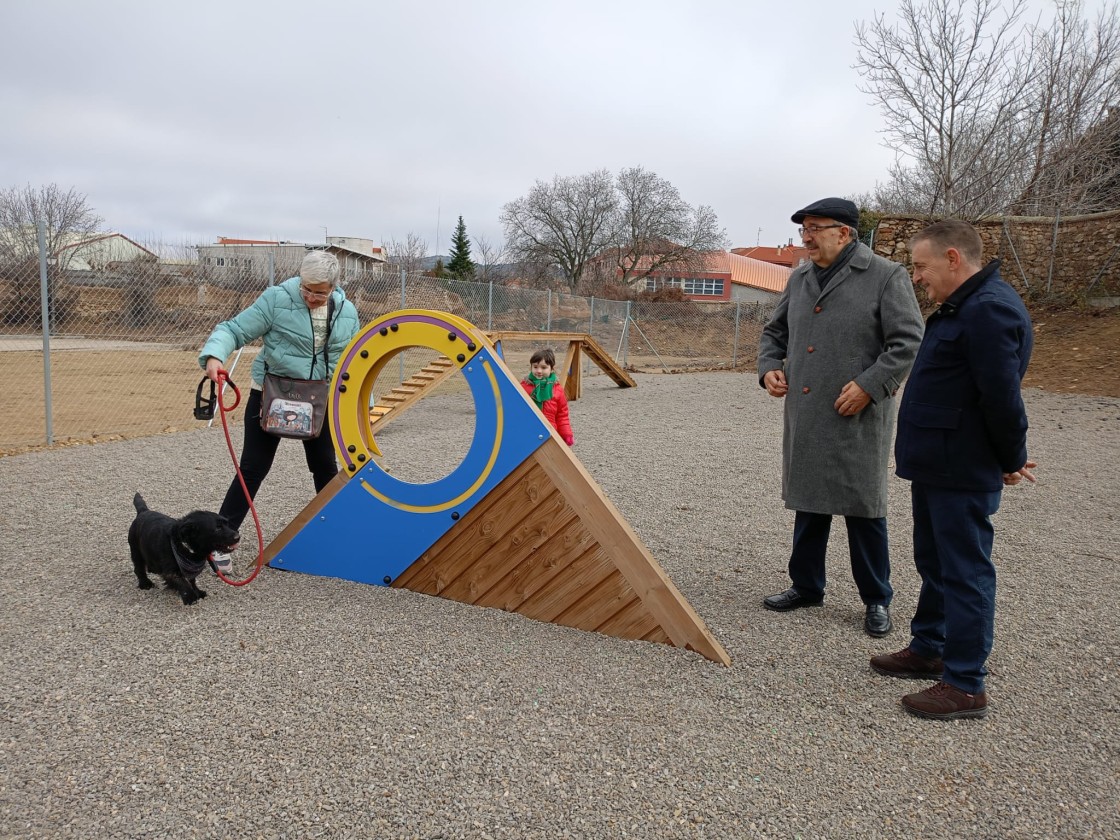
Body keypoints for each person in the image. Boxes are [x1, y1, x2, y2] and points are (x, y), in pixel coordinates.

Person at [871, 220, 1034, 721]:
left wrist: (1008, 459)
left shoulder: (988, 311)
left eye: (921, 266)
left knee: (965, 571)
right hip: (941, 463)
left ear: (953, 259)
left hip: (961, 466)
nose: (917, 277)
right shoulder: (967, 305)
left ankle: (965, 683)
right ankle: (930, 647)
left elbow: (1001, 398)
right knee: (936, 563)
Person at [758, 197, 924, 637]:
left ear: (844, 232)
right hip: (810, 410)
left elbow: (907, 340)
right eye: (803, 230)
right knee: (809, 504)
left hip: (857, 415)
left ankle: (876, 598)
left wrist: (870, 386)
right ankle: (806, 585)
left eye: (815, 228)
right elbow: (775, 333)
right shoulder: (800, 278)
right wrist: (769, 367)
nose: (807, 237)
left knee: (863, 509)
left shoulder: (887, 276)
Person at [199, 250, 361, 572]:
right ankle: (218, 544)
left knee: (325, 467)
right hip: (272, 394)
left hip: (318, 399)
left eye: (320, 291)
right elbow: (233, 329)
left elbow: (355, 360)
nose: (312, 297)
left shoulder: (346, 311)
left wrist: (361, 404)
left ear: (334, 287)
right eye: (307, 288)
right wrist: (214, 357)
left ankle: (335, 535)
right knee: (253, 468)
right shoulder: (276, 299)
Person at [520, 348, 574, 446]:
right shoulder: (523, 387)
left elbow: (562, 414)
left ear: (551, 369)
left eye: (544, 367)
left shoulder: (557, 390)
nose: (539, 371)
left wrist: (566, 433)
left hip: (550, 432)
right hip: (529, 431)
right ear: (531, 367)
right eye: (535, 367)